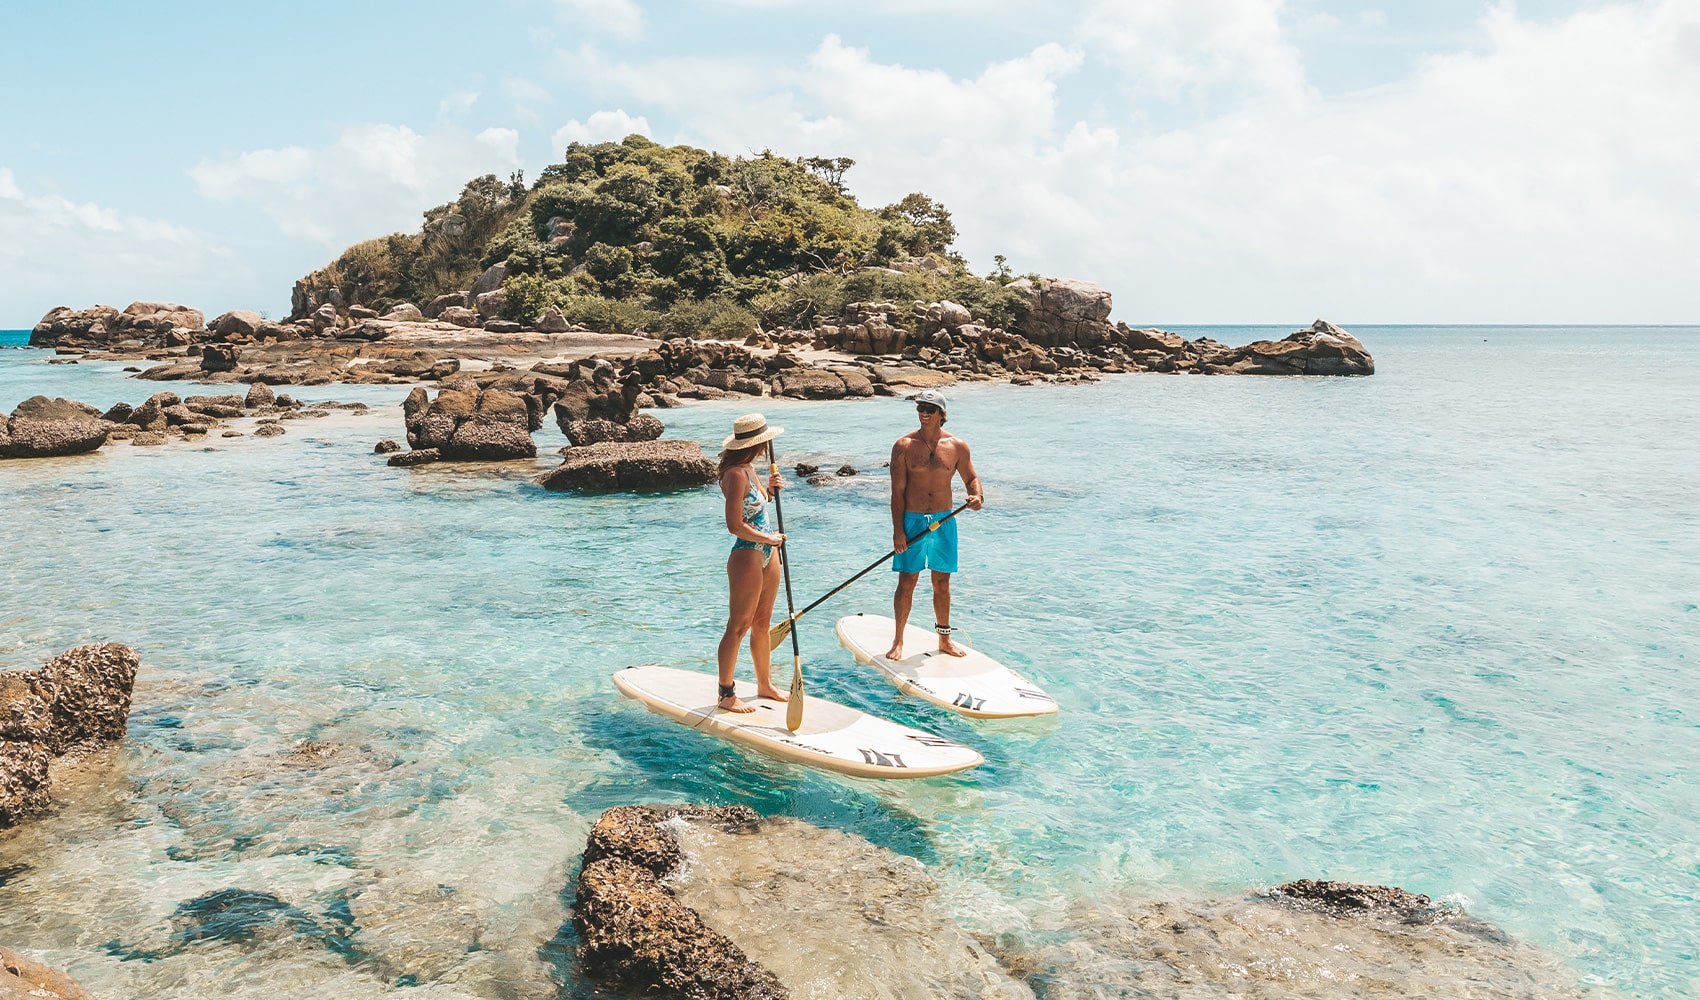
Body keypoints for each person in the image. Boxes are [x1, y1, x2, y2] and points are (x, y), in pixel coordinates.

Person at [887, 389, 983, 660]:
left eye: (930, 409)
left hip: (944, 521)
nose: (924, 413)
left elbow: (972, 479)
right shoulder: (903, 446)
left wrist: (977, 496)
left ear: (942, 414)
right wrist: (898, 530)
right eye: (920, 408)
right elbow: (897, 493)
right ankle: (898, 640)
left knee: (942, 583)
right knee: (907, 582)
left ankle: (944, 640)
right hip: (912, 520)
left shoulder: (957, 446)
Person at [716, 413, 790, 712]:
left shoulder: (749, 468)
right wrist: (768, 539)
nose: (767, 446)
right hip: (748, 552)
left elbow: (757, 507)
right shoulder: (734, 474)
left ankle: (764, 683)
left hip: (767, 551)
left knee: (762, 623)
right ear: (755, 444)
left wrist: (770, 491)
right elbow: (734, 524)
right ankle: (725, 693)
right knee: (739, 625)